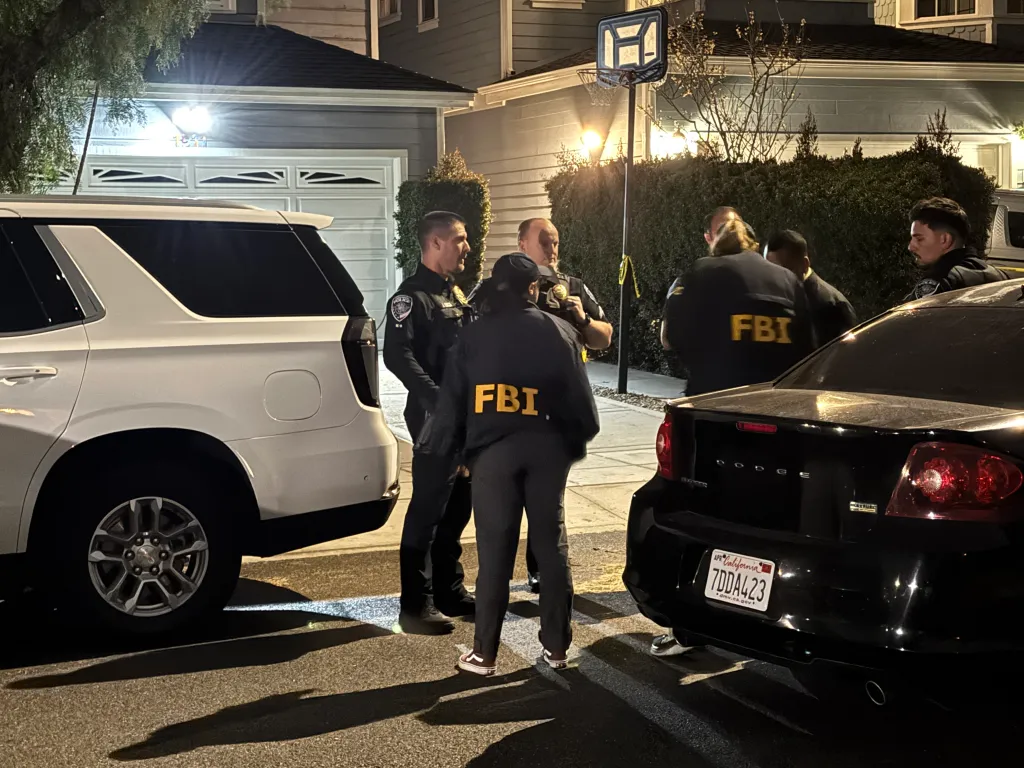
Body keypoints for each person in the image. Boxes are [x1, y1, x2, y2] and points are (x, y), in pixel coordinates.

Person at [418, 252, 601, 676]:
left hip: (492, 454)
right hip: (547, 450)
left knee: (495, 552)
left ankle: (484, 654)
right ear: (533, 288)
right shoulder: (559, 331)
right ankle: (557, 648)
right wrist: (570, 446)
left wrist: (454, 453)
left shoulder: (473, 334)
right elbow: (584, 410)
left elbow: (453, 403)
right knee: (551, 548)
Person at [469, 217, 612, 594]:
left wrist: (581, 319)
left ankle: (541, 572)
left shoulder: (574, 288)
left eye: (556, 241)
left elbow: (603, 337)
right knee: (503, 502)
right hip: (507, 405)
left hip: (556, 407)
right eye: (545, 241)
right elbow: (469, 331)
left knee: (547, 505)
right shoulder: (496, 286)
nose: (552, 248)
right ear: (522, 245)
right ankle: (494, 581)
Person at [383, 210, 476, 635]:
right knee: (428, 509)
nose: (467, 247)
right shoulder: (410, 298)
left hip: (467, 419)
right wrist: (439, 403)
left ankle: (448, 590)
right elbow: (397, 355)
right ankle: (415, 605)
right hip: (435, 420)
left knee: (459, 506)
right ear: (435, 243)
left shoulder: (454, 293)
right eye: (459, 239)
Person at [662, 216, 816, 396]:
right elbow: (808, 353)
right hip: (775, 403)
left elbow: (669, 338)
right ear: (755, 246)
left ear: (715, 247)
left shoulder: (698, 273)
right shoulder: (788, 280)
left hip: (713, 401)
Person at [904, 197, 1009, 302]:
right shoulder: (1001, 277)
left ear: (945, 239)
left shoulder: (940, 282)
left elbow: (908, 317)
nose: (911, 247)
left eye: (919, 239)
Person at [766, 229, 858, 346]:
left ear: (804, 265)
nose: (775, 278)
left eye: (783, 271)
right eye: (771, 270)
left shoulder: (832, 306)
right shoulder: (786, 296)